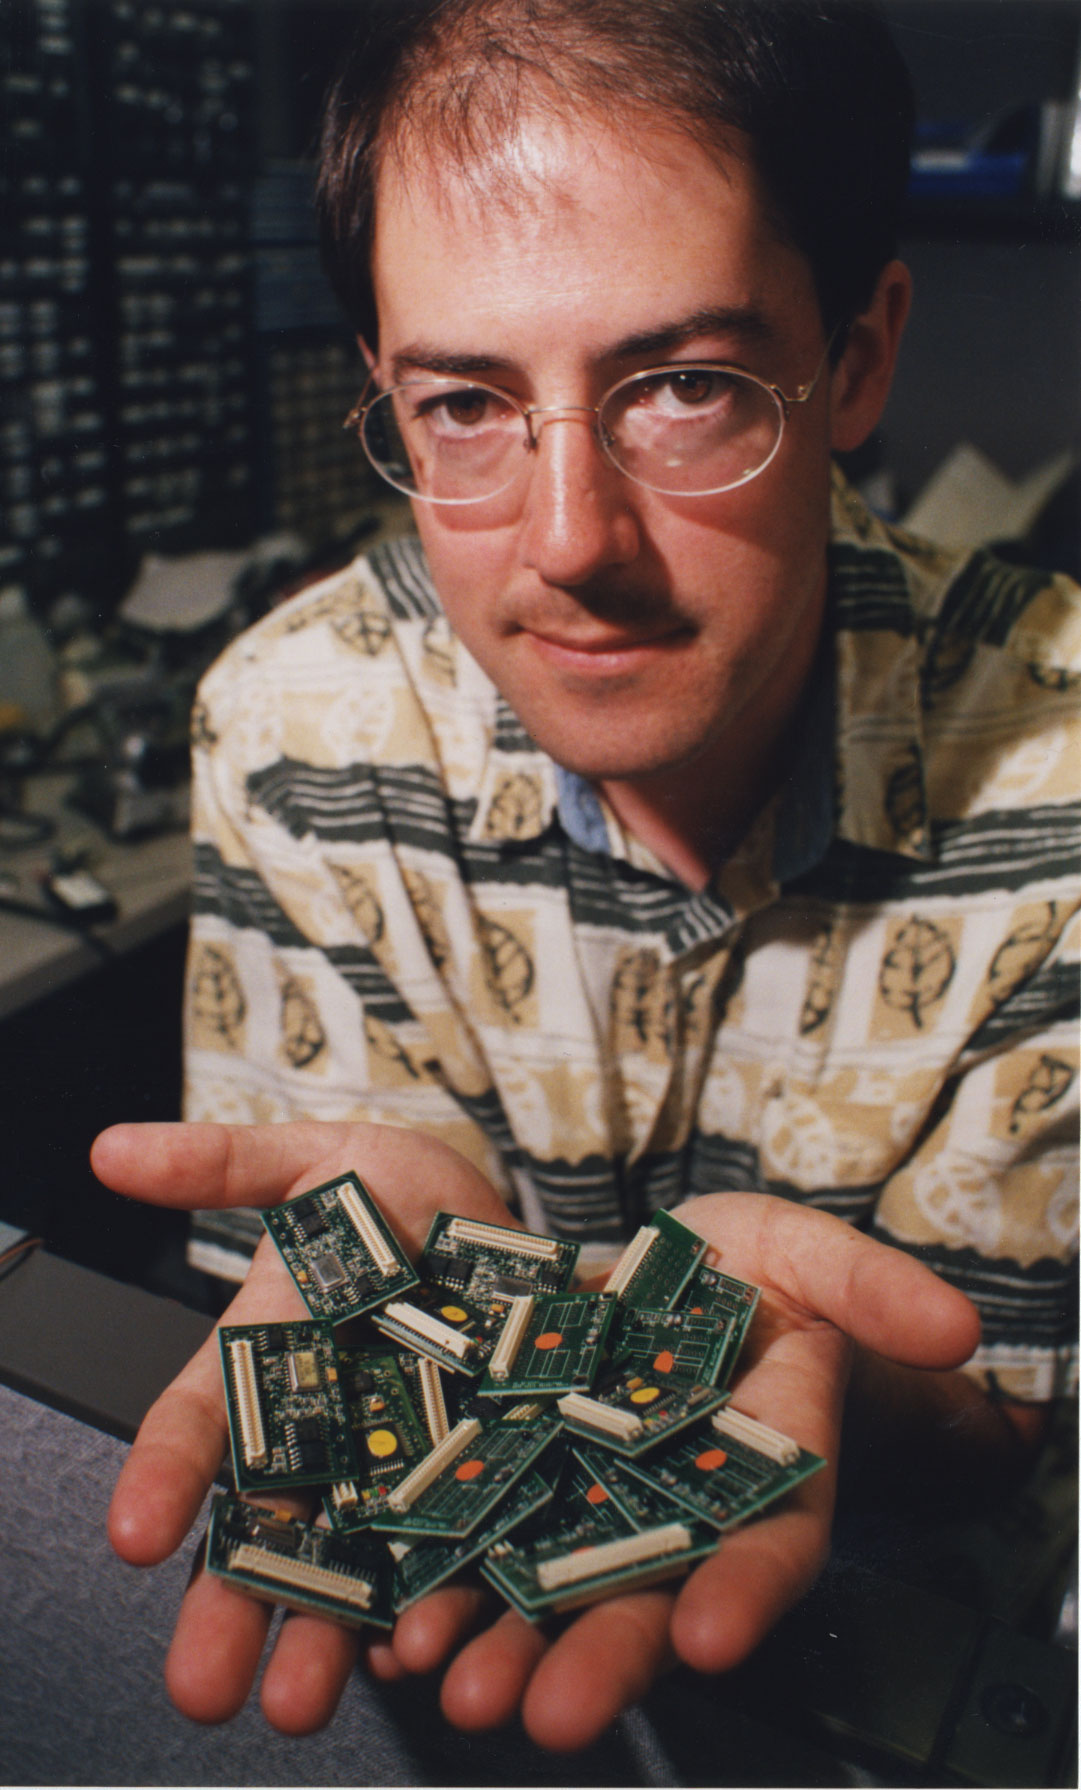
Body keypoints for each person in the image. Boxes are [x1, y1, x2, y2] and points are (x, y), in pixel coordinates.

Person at [91, 0, 1079, 1756]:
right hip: (457, 1686)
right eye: (465, 404)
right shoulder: (293, 721)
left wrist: (827, 1349)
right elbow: (346, 1352)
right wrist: (405, 1238)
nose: (567, 545)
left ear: (856, 356)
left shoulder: (1065, 762)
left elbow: (1000, 1409)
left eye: (685, 386)